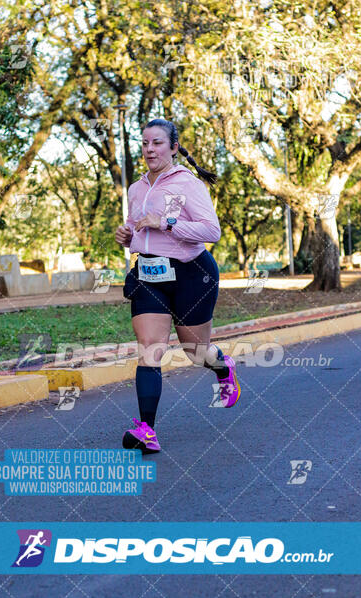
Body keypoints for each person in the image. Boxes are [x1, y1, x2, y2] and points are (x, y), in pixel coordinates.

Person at [115, 118, 241, 454]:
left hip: (191, 274)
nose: (149, 149)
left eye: (157, 143)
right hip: (149, 274)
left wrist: (166, 223)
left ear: (173, 147)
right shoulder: (136, 188)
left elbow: (210, 231)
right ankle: (147, 430)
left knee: (194, 352)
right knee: (149, 348)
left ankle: (222, 367)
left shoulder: (188, 184)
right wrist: (127, 236)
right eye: (144, 143)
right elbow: (135, 229)